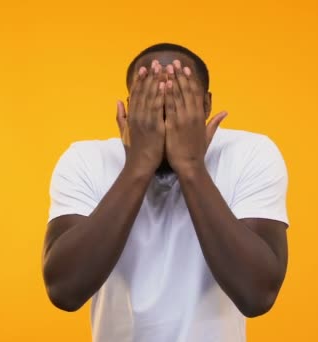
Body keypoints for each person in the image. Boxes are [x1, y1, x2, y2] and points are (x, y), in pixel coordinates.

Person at [41, 43, 289, 342]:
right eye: (150, 98)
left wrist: (192, 167)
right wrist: (138, 166)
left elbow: (257, 295)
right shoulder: (86, 159)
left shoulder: (250, 154)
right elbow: (64, 291)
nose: (165, 111)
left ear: (206, 105)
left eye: (180, 97)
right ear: (130, 106)